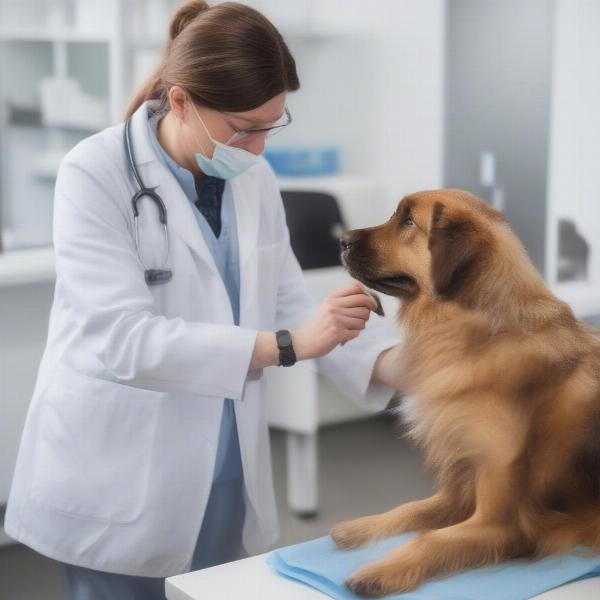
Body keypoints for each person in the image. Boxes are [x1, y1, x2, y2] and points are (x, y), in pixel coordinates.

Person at [4, 2, 402, 598]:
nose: (260, 147)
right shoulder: (94, 171)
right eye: (245, 127)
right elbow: (124, 339)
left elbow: (288, 299)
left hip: (222, 464)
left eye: (273, 123)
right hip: (116, 474)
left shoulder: (253, 179)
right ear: (182, 100)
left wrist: (402, 364)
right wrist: (288, 347)